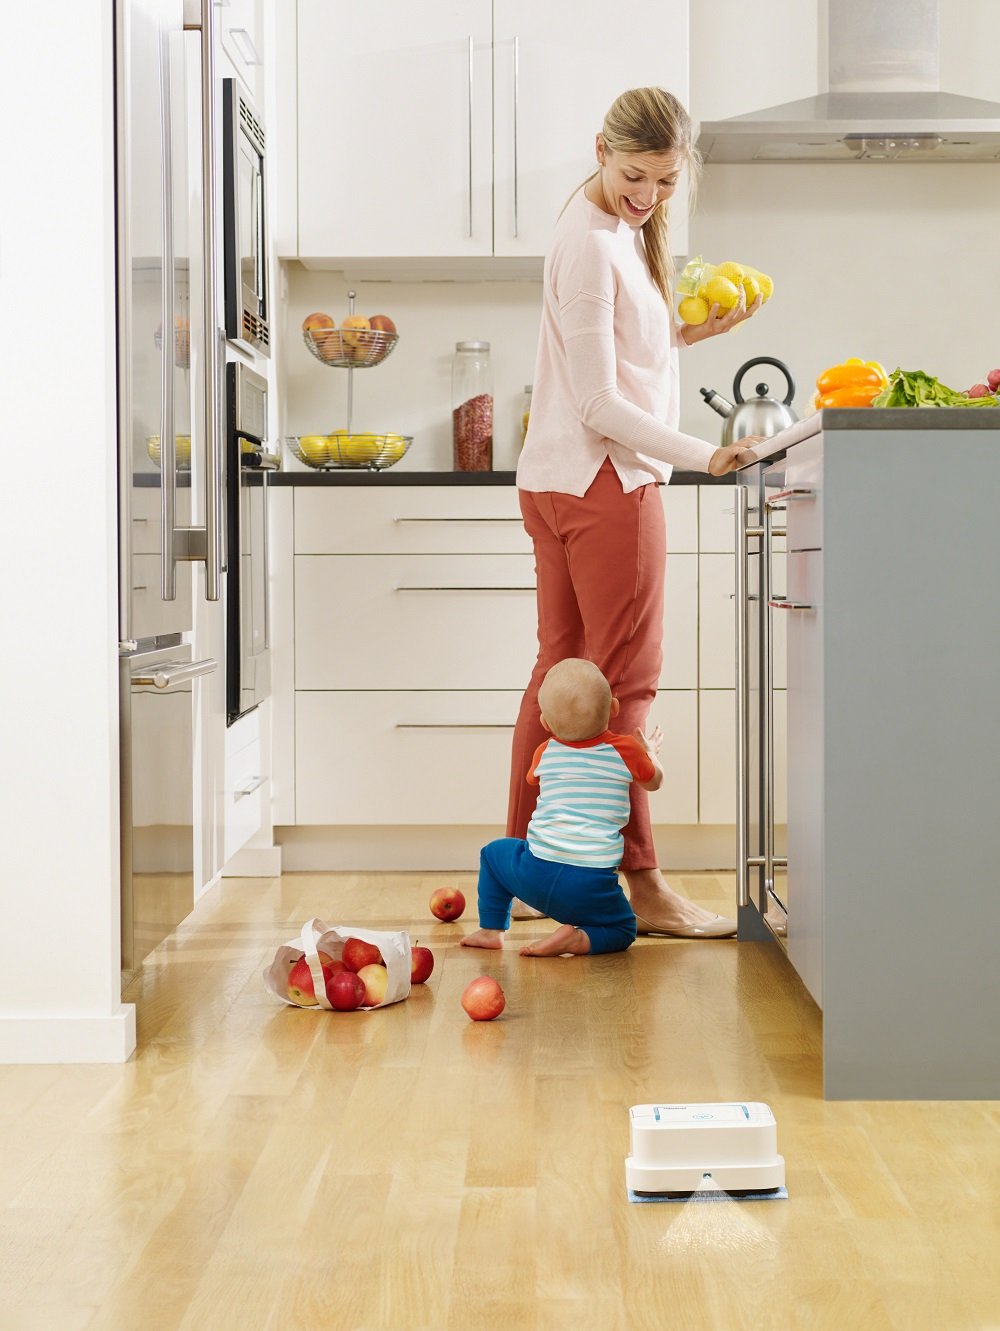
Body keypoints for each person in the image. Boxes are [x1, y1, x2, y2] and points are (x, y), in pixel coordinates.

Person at [508, 87, 762, 939]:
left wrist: (695, 335)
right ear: (599, 150)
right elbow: (599, 403)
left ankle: (530, 871)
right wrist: (705, 452)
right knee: (622, 694)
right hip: (608, 483)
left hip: (559, 484)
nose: (648, 195)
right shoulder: (590, 244)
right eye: (634, 176)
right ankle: (642, 887)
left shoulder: (612, 232)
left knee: (560, 687)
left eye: (665, 181)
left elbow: (620, 352)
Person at [463, 659, 662, 957]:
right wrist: (651, 755)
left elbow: (532, 779)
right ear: (614, 710)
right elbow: (654, 782)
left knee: (492, 854)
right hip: (591, 885)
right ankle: (579, 940)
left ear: (545, 724)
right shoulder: (626, 751)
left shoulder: (544, 753)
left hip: (534, 874)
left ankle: (491, 930)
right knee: (623, 929)